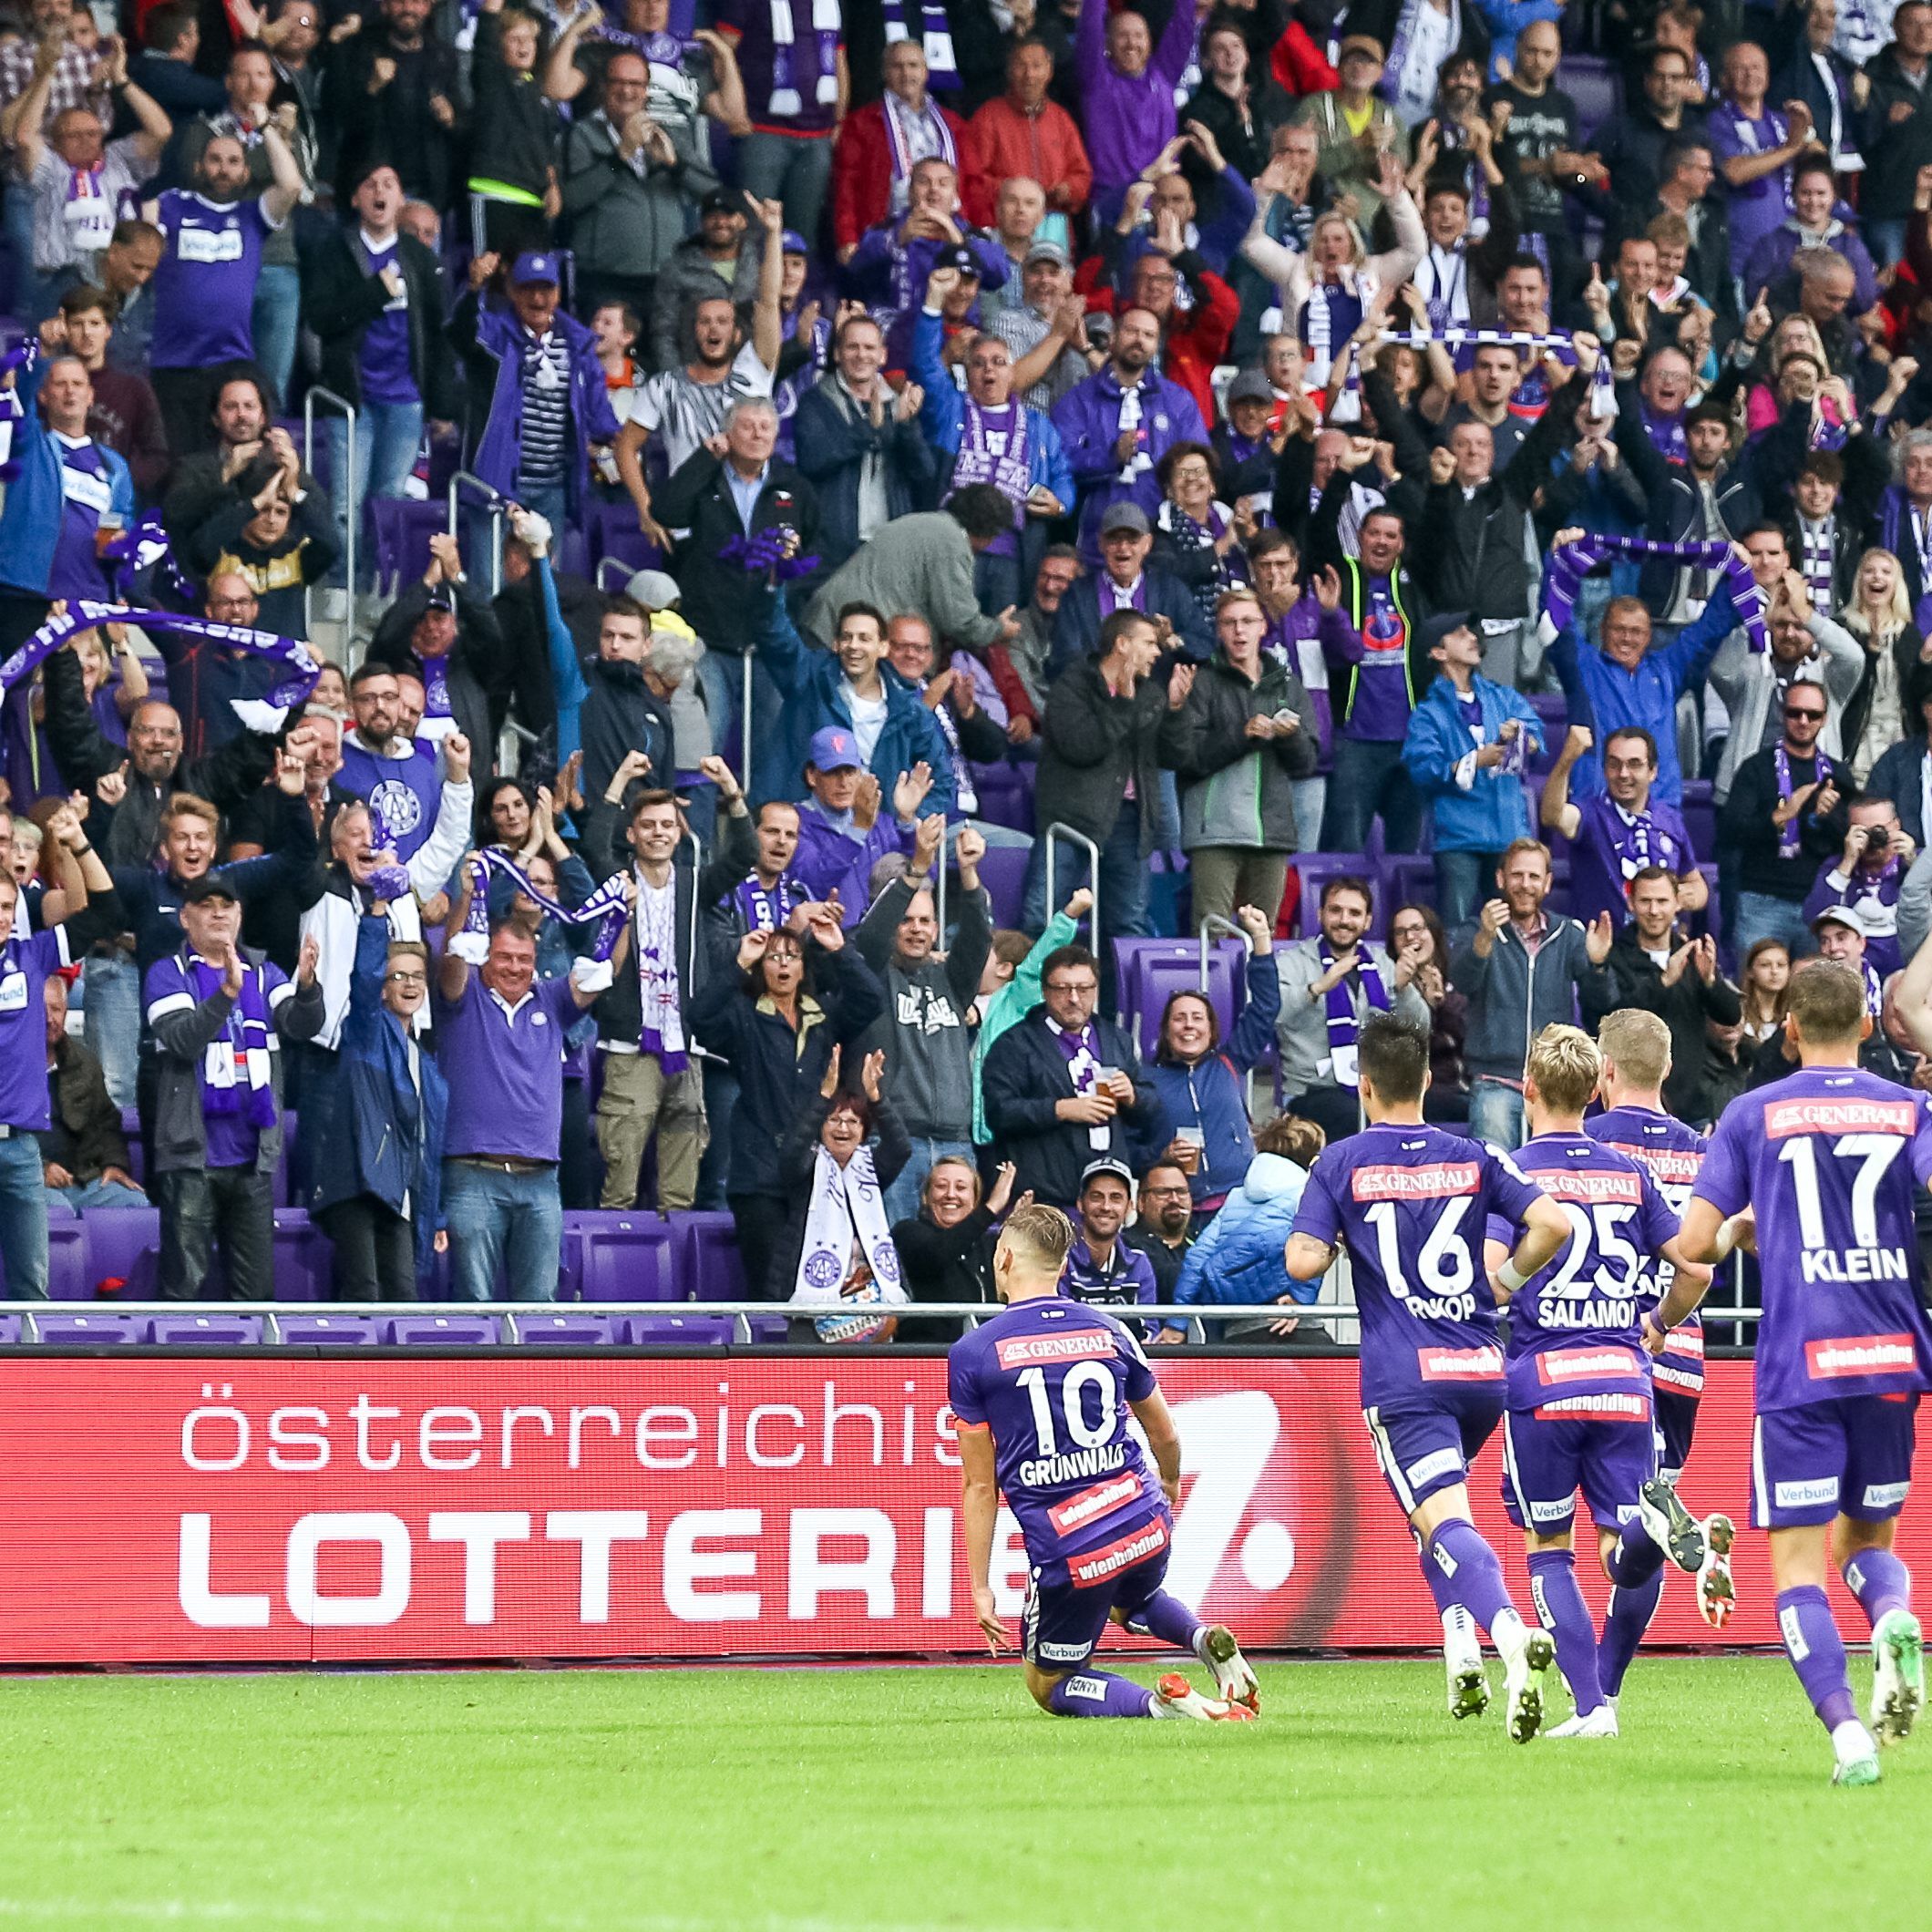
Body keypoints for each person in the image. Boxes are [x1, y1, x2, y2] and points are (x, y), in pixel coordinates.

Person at [1677, 956, 1932, 1784]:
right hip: (1891, 1357)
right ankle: (1893, 1613)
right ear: (1866, 1025)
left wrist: (1754, 1228)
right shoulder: (1909, 1108)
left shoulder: (1752, 1113)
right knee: (1867, 1541)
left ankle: (1849, 1737)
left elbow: (1690, 1244)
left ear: (1787, 1032)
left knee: (1797, 1565)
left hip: (1801, 1364)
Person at [1286, 1012, 1569, 1737]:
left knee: (1441, 1517)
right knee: (1439, 1519)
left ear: (1365, 1083)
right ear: (1425, 1081)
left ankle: (1509, 1635)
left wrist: (1347, 1234)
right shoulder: (1475, 1152)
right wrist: (1503, 1281)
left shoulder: (1340, 1162)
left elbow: (1302, 1263)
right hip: (1479, 1369)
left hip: (1405, 1377)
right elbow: (1555, 1225)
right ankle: (1460, 1651)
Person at [1487, 1023, 1714, 1740]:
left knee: (1549, 1548)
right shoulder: (1628, 1172)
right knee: (1621, 1555)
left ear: (1529, 1088)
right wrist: (1656, 1325)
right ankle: (1651, 1524)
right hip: (1626, 1379)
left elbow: (1496, 1282)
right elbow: (1698, 1266)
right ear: (1594, 1090)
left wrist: (1499, 1288)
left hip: (1545, 1380)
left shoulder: (1515, 1170)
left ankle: (1591, 1710)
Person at [951, 1197, 1259, 1721]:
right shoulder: (1110, 1329)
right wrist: (1169, 1486)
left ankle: (1164, 1706)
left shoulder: (976, 1351)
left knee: (1050, 1684)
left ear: (1003, 1261)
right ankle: (1202, 1637)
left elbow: (980, 1486)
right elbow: (1164, 1431)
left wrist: (980, 1586)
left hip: (1069, 1547)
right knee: (1131, 1599)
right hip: (1143, 1519)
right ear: (1066, 1266)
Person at [1589, 1007, 1738, 1633]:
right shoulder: (1704, 1153)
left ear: (1606, 1069)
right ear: (1670, 1067)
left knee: (1616, 1535)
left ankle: (1599, 1693)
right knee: (1645, 1519)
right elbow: (1713, 1252)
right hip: (1681, 1358)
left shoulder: (1587, 1144)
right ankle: (1608, 1685)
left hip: (1601, 1352)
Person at [143, 875, 324, 1300]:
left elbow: (300, 1026)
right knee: (182, 1291)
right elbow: (185, 1040)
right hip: (192, 1157)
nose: (219, 912)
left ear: (240, 915)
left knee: (256, 1297)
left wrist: (308, 988)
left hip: (252, 1160)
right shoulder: (166, 973)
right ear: (186, 918)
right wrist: (225, 994)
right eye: (207, 905)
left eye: (228, 904)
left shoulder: (264, 973)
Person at [688, 912, 885, 1300]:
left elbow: (871, 998)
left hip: (812, 1174)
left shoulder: (822, 1015)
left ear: (803, 966)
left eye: (792, 956)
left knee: (816, 1286)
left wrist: (840, 949)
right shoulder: (745, 1015)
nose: (782, 963)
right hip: (758, 1176)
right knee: (770, 1290)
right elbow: (699, 1017)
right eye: (773, 956)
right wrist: (739, 961)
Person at [591, 775, 755, 1212]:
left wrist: (732, 793)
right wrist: (620, 778)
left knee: (680, 1191)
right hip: (630, 1046)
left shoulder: (695, 883)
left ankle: (678, 1280)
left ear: (680, 832)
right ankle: (613, 1276)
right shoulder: (617, 879)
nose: (658, 832)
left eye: (667, 824)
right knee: (620, 1177)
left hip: (687, 1044)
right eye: (648, 824)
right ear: (632, 834)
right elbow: (592, 844)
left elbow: (745, 855)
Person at [436, 891, 603, 1303]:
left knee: (539, 1309)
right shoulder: (464, 995)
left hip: (541, 1180)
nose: (515, 967)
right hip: (474, 1176)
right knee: (472, 1305)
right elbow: (452, 959)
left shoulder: (551, 998)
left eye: (524, 960)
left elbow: (602, 975)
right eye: (505, 957)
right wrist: (467, 897)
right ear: (486, 958)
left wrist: (626, 919)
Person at [303, 160, 458, 602]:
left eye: (389, 184)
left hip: (405, 398)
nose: (379, 191)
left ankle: (378, 588)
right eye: (369, 183)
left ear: (400, 199)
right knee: (344, 506)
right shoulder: (334, 250)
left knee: (388, 501)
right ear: (355, 199)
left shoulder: (418, 257)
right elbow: (321, 318)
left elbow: (437, 333)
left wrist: (441, 404)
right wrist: (374, 292)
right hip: (351, 398)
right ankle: (339, 587)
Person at [0, 809, 121, 1293]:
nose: (3, 918)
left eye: (9, 908)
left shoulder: (32, 957)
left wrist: (79, 844)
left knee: (34, 1291)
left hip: (22, 1149)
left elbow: (108, 915)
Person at [852, 821, 991, 1221]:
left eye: (925, 921)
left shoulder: (951, 978)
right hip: (895, 1140)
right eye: (906, 920)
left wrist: (968, 874)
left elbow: (979, 938)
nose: (916, 929)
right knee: (895, 1260)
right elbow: (871, 939)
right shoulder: (872, 973)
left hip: (956, 1147)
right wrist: (916, 870)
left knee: (954, 1260)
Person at [143, 118, 304, 459]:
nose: (223, 169)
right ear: (198, 166)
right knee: (179, 465)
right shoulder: (171, 204)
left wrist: (266, 128)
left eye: (233, 162)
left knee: (234, 462)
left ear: (246, 172)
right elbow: (141, 235)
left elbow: (290, 185)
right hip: (174, 362)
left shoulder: (253, 216)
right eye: (215, 160)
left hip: (231, 363)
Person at [312, 909, 446, 1300]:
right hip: (357, 1185)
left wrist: (434, 1213)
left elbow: (427, 1148)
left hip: (398, 1195)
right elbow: (364, 977)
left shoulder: (428, 1068)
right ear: (383, 988)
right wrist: (374, 917)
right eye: (397, 976)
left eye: (417, 976)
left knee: (405, 1297)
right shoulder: (368, 1033)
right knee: (364, 1293)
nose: (408, 984)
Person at [1449, 840, 1616, 1148]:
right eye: (1517, 875)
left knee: (1551, 1179)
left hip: (1554, 1084)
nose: (1525, 885)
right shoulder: (1475, 928)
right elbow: (1462, 983)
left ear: (1548, 883)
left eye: (1534, 877)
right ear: (1500, 879)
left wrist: (1597, 964)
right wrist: (1485, 938)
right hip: (1494, 1081)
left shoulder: (1568, 933)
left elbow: (1603, 1003)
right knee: (1496, 1173)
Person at [450, 249, 621, 544]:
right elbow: (460, 332)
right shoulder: (495, 334)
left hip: (553, 486)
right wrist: (473, 288)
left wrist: (623, 440)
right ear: (512, 292)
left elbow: (597, 409)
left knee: (546, 583)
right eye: (528, 289)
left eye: (546, 290)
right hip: (498, 484)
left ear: (558, 294)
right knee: (490, 585)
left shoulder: (576, 344)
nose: (538, 299)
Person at [980, 941, 1159, 1210]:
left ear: (1096, 990)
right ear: (1044, 991)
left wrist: (1133, 1096)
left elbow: (1151, 1108)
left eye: (1084, 989)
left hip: (1105, 1201)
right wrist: (1060, 1109)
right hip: (1045, 1196)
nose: (1074, 998)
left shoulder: (1116, 1039)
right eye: (1062, 989)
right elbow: (998, 1112)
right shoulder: (1014, 1044)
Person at [1021, 610, 1165, 943]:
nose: (1157, 652)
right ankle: (1028, 996)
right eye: (1149, 643)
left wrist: (1175, 711)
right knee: (1041, 919)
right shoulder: (1071, 687)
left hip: (1130, 821)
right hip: (1071, 820)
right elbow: (1082, 747)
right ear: (1122, 644)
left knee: (1129, 926)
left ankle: (1117, 998)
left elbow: (1175, 755)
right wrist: (1124, 706)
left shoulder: (1150, 692)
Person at [1401, 613, 1543, 931]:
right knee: (1457, 933)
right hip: (1459, 840)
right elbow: (1422, 770)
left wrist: (1520, 735)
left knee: (1516, 933)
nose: (1472, 636)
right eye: (1460, 633)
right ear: (1439, 652)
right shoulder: (1427, 714)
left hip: (1509, 834)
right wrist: (1477, 760)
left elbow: (1536, 734)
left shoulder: (1501, 696)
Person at [1274, 873, 1431, 1146]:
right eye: (1336, 911)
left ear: (1367, 921)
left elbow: (1421, 1028)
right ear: (1321, 913)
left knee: (1443, 1105)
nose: (1344, 920)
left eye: (1354, 913)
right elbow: (1272, 1014)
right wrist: (1317, 988)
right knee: (1357, 1116)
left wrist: (1404, 990)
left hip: (1378, 1084)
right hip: (1314, 1088)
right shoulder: (1292, 962)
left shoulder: (1380, 963)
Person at [1146, 904, 1279, 1218]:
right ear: (1166, 1030)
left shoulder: (1229, 1062)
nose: (1189, 1025)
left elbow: (1266, 1007)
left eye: (1197, 1018)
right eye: (1179, 1019)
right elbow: (1134, 1147)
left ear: (1211, 1028)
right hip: (1181, 1212)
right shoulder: (1146, 1080)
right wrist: (1161, 1155)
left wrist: (1260, 939)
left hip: (1240, 1205)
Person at [1050, 304, 1209, 557]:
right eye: (1131, 331)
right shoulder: (1079, 399)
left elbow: (1200, 461)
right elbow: (1059, 459)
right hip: (1097, 535)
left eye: (1148, 335)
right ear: (1113, 338)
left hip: (1164, 536)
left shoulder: (1178, 400)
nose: (1139, 340)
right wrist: (1111, 457)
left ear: (1157, 345)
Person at [775, 1043, 909, 1331]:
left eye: (852, 1121)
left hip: (871, 1301)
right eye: (833, 1119)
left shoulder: (872, 1167)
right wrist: (824, 1096)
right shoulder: (807, 1168)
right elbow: (790, 1153)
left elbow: (901, 1148)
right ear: (821, 1126)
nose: (842, 1129)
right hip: (811, 1305)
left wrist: (875, 1096)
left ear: (863, 1131)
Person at [1166, 1112, 1326, 1343]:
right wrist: (1300, 1300)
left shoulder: (1235, 1198)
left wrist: (1177, 1323)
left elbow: (1196, 1259)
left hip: (1239, 1333)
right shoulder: (1307, 1193)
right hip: (1297, 1328)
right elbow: (1314, 1246)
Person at [1719, 675, 1846, 960]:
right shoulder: (1755, 768)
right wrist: (1782, 815)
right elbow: (1730, 831)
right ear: (1781, 713)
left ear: (1824, 719)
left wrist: (1824, 818)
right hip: (1761, 902)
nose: (1803, 721)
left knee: (1818, 1000)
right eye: (1794, 713)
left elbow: (1847, 842)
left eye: (1812, 715)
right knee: (1755, 998)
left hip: (1820, 906)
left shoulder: (1838, 774)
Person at [1601, 869, 1741, 1121]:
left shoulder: (1691, 955)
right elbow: (1610, 1019)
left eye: (1662, 901)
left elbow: (1731, 1015)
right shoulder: (1616, 956)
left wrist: (1710, 982)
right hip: (1630, 1107)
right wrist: (1664, 981)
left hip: (1691, 1109)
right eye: (1645, 901)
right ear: (1631, 904)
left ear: (1678, 903)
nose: (1654, 910)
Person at [1543, 725, 1704, 930]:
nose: (1623, 773)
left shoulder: (1670, 820)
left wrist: (1686, 897)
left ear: (1652, 771)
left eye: (1634, 764)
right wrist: (1567, 759)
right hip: (1606, 951)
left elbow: (1696, 883)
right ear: (1604, 769)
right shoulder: (1590, 814)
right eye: (1614, 764)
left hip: (1660, 949)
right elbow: (1551, 815)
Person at [1049, 500, 1212, 673]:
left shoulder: (1170, 589)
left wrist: (1172, 640)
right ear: (1101, 543)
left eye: (1132, 540)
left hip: (1158, 694)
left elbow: (1204, 644)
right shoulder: (1077, 594)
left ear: (1147, 544)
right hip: (1095, 693)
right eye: (1114, 539)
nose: (1123, 548)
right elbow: (1065, 657)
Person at [961, 36, 1091, 228]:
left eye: (1037, 66)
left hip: (1053, 223)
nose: (1029, 74)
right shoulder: (988, 116)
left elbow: (1082, 175)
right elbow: (974, 179)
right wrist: (1018, 194)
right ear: (1009, 72)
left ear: (1049, 71)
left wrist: (1068, 189)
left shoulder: (1060, 118)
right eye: (1021, 66)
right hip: (1003, 224)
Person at [39, 972, 145, 1210]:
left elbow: (106, 1124)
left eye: (56, 1010)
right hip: (24, 1182)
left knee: (134, 1203)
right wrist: (40, 1170)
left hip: (81, 1180)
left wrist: (114, 1164)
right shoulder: (7, 1064)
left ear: (66, 1011)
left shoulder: (84, 1061)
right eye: (40, 1009)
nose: (49, 1019)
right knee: (57, 1211)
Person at [890, 1155, 1014, 1339]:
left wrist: (1017, 1230)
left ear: (975, 1199)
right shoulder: (908, 1232)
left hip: (983, 1356)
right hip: (930, 1356)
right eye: (941, 1186)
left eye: (961, 1188)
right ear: (926, 1196)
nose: (951, 1194)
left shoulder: (988, 1245)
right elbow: (936, 1255)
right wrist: (991, 1209)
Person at [1062, 1158, 1157, 1312]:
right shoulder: (1060, 1259)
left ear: (1129, 1207)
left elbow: (1148, 1328)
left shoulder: (1138, 1261)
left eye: (1116, 1198)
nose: (1106, 1206)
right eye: (1096, 1197)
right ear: (1080, 1204)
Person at [1123, 1160, 1194, 1300]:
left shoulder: (1202, 1240)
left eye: (1181, 1192)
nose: (1174, 1199)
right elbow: (1166, 1280)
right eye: (1163, 1192)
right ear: (1141, 1202)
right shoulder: (1127, 1245)